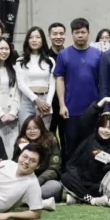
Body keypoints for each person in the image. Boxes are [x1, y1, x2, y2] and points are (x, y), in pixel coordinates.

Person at [54, 18, 102, 161]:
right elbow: (60, 80)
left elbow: (102, 81)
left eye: (83, 32)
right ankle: (71, 172)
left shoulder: (98, 54)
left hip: (93, 109)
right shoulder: (63, 55)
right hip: (71, 109)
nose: (80, 35)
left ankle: (90, 172)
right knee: (72, 146)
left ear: (88, 33)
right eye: (77, 32)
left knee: (92, 146)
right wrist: (62, 105)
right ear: (72, 34)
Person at [60, 97, 110, 205]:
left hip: (99, 185)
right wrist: (103, 101)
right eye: (103, 127)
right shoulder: (89, 137)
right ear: (98, 127)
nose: (106, 131)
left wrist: (109, 166)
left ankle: (79, 197)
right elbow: (86, 119)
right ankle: (90, 200)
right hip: (82, 181)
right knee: (65, 177)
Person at [12, 115, 62, 202]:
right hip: (24, 179)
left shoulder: (51, 141)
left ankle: (24, 199)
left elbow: (54, 168)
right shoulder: (20, 142)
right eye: (28, 128)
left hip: (43, 180)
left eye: (35, 128)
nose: (32, 131)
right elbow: (15, 164)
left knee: (55, 186)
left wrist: (38, 181)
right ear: (24, 130)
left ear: (41, 128)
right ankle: (30, 199)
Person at [16, 27, 57, 129]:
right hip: (27, 101)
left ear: (42, 40)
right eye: (31, 37)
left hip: (45, 101)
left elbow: (52, 84)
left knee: (43, 133)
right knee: (25, 132)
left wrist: (48, 103)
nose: (34, 40)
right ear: (27, 40)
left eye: (38, 37)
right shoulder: (20, 61)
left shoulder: (50, 61)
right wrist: (36, 100)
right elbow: (21, 84)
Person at [47, 22, 66, 155]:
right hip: (48, 104)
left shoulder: (69, 54)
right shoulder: (44, 56)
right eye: (55, 34)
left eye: (61, 33)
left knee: (66, 137)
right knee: (49, 136)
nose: (58, 37)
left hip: (66, 103)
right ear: (49, 35)